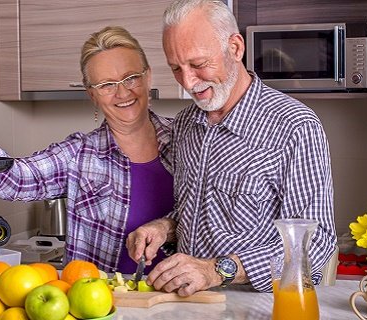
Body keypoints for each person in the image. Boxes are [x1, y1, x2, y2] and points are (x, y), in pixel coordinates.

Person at [126, 0, 336, 295]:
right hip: (188, 304)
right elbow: (203, 213)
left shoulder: (294, 126)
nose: (187, 81)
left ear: (235, 48)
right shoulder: (187, 123)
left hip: (257, 307)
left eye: (198, 65)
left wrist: (216, 270)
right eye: (176, 68)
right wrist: (165, 228)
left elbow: (315, 244)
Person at [0, 26, 173, 274]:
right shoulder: (79, 154)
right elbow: (16, 180)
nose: (122, 92)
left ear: (148, 77)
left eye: (131, 77)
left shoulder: (185, 141)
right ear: (92, 95)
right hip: (98, 305)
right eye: (107, 84)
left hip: (182, 304)